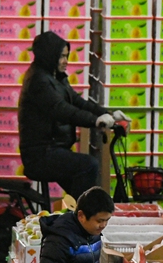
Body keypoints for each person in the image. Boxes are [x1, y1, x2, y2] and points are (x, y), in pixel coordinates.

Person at [19, 31, 130, 200]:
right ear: (50, 55)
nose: (66, 61)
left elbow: (77, 102)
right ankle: (79, 214)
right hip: (40, 154)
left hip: (54, 149)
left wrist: (107, 114)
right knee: (88, 165)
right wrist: (95, 121)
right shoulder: (39, 81)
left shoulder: (55, 77)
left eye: (67, 56)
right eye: (61, 56)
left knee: (85, 188)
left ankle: (79, 211)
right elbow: (62, 110)